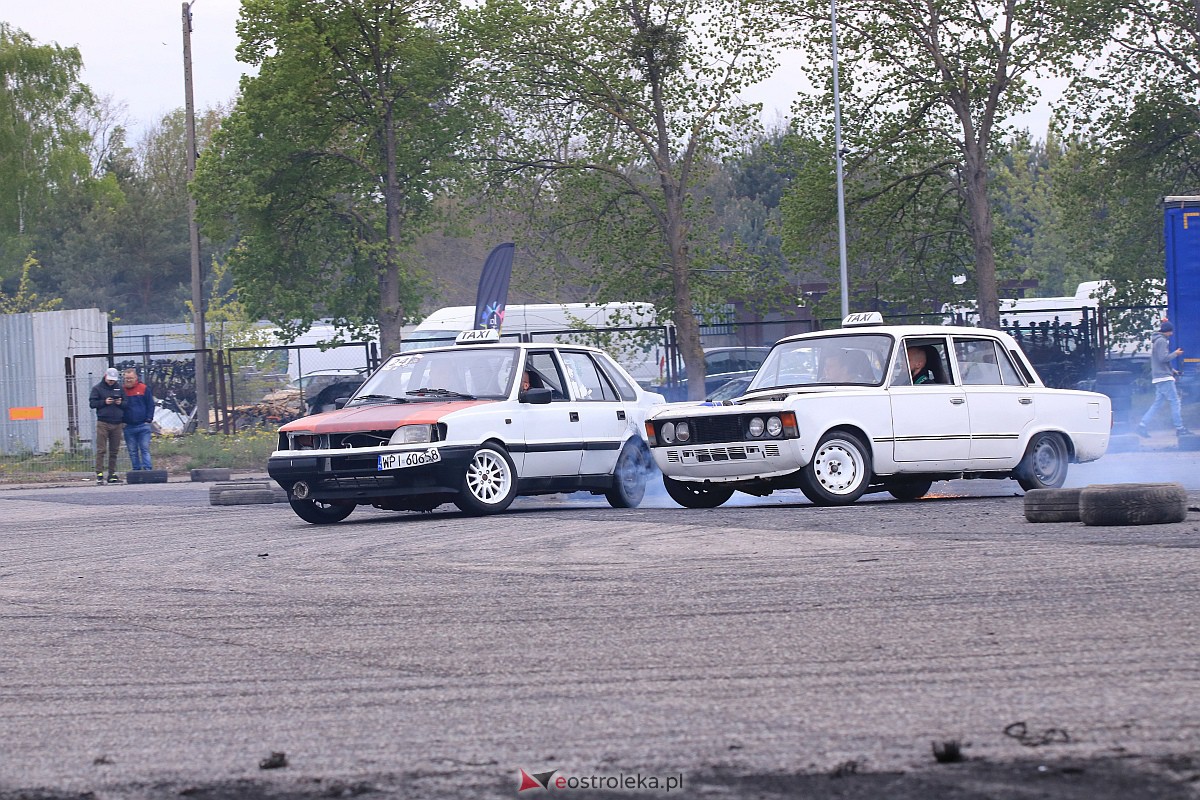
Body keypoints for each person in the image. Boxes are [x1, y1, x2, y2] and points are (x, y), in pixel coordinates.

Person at [1137, 320, 1191, 438]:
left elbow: (1160, 361)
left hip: (1160, 376)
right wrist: (1176, 354)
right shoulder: (1161, 341)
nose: (1171, 334)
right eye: (1171, 332)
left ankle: (1142, 425)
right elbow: (1163, 358)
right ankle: (1180, 428)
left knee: (1158, 404)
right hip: (1164, 378)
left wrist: (1173, 371)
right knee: (1175, 401)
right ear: (1167, 331)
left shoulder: (1158, 340)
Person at [89, 367, 125, 484]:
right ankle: (99, 474)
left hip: (117, 423)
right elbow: (92, 404)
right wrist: (104, 402)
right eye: (110, 380)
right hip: (103, 422)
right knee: (101, 449)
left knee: (114, 450)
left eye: (113, 380)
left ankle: (112, 474)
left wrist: (120, 403)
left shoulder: (119, 388)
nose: (111, 382)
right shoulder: (97, 389)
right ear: (105, 376)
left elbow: (127, 403)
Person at [121, 368, 155, 471]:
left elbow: (150, 404)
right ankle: (136, 470)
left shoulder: (144, 388)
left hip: (143, 425)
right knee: (132, 451)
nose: (128, 380)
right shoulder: (122, 390)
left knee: (144, 449)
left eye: (130, 378)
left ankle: (148, 469)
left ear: (136, 377)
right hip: (128, 426)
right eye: (126, 378)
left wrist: (149, 419)